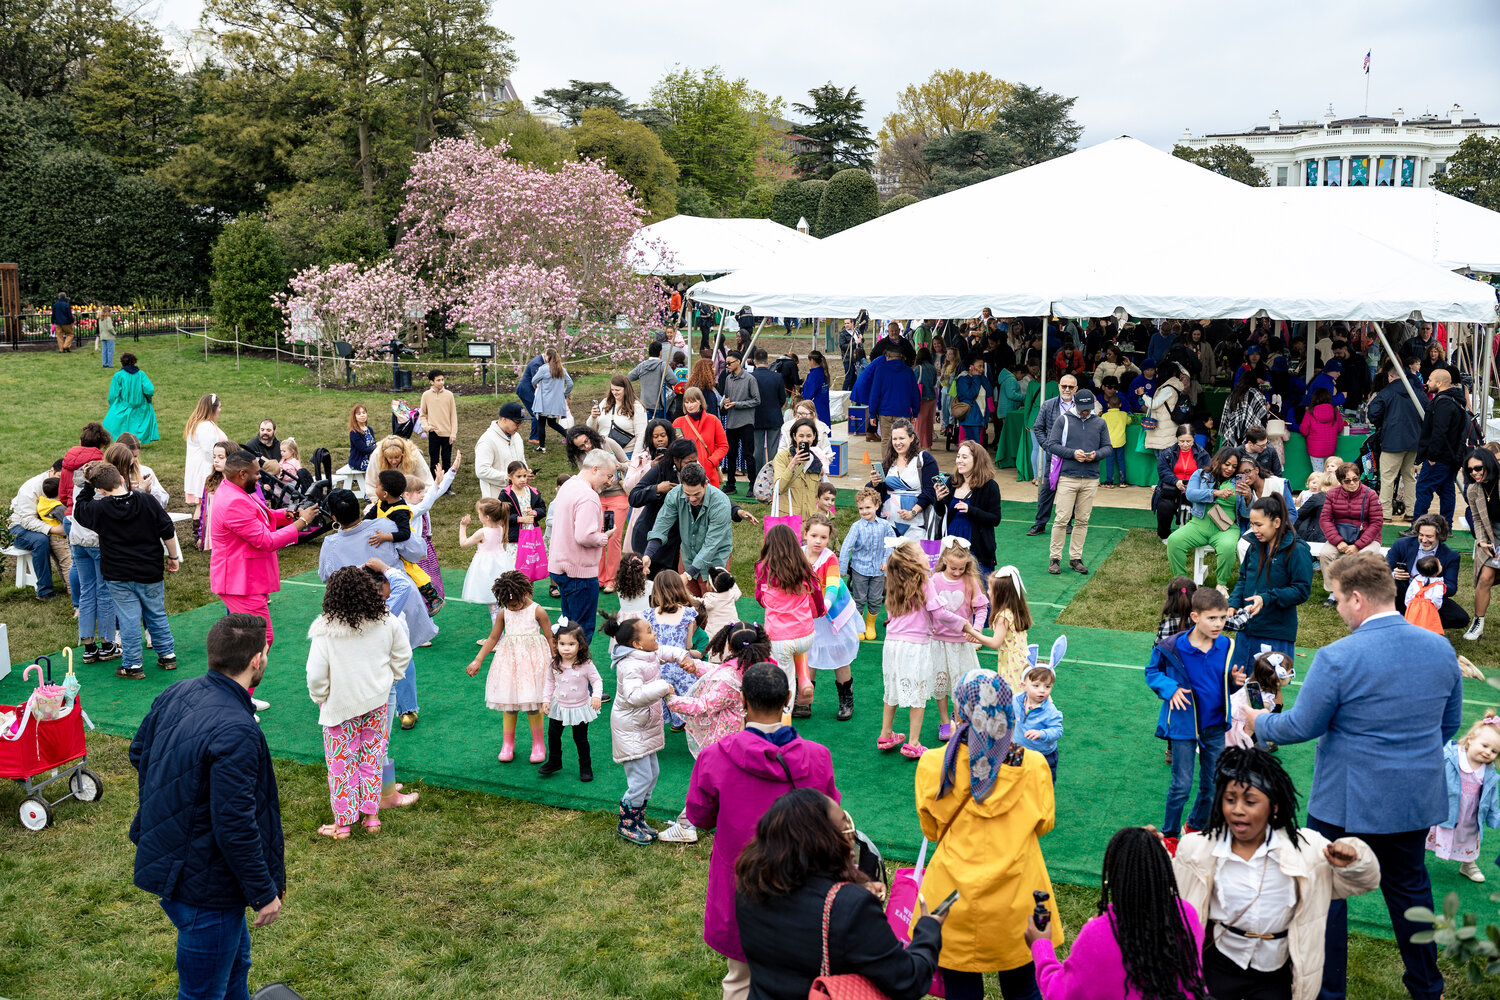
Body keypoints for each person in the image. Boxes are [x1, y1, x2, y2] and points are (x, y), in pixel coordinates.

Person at [1245, 550, 1461, 1000]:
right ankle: (1427, 987)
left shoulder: (1337, 656)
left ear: (1358, 599)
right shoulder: (1440, 648)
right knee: (1411, 893)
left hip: (1346, 802)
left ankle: (1327, 992)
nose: (1339, 609)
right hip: (1412, 799)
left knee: (1327, 898)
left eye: (1339, 600)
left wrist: (1255, 721)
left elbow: (1302, 725)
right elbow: (1448, 724)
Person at [129, 614, 284, 999]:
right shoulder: (238, 729)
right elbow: (235, 823)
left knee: (235, 969)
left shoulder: (177, 691)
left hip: (178, 862)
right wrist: (263, 891)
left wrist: (181, 797)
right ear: (256, 661)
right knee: (203, 992)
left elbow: (139, 752)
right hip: (205, 885)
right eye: (264, 652)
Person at [684, 663, 841, 999]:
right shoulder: (818, 757)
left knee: (740, 979)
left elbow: (698, 815)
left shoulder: (714, 757)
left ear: (742, 701)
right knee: (802, 977)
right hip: (803, 882)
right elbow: (833, 816)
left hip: (741, 884)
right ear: (787, 698)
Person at [1173, 747, 1380, 1000]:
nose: (1238, 809)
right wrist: (1151, 852)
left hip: (1277, 972)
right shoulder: (1198, 849)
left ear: (1274, 807)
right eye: (1230, 799)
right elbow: (1172, 901)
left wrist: (1354, 859)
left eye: (1250, 802)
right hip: (1219, 963)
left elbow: (1366, 881)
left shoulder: (1307, 849)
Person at [914, 667, 1060, 999]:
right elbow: (1044, 824)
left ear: (960, 709)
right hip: (1019, 897)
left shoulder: (936, 764)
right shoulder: (1034, 765)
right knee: (1024, 988)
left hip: (953, 900)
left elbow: (932, 830)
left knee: (961, 991)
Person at [735, 787, 944, 1000]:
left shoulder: (750, 885)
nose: (850, 839)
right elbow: (908, 980)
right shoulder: (851, 906)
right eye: (843, 830)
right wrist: (928, 929)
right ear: (822, 841)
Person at [1031, 826, 1208, 1000]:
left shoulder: (1098, 936)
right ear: (1163, 870)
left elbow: (1058, 992)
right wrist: (1146, 846)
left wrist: (1041, 943)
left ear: (1112, 878)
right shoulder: (1187, 916)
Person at [305, 566, 411, 838]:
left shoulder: (325, 630)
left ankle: (343, 825)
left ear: (332, 595)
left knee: (341, 763)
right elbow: (403, 653)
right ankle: (372, 817)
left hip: (339, 707)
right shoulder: (387, 621)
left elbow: (316, 674)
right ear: (368, 591)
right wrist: (392, 679)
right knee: (372, 757)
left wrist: (320, 697)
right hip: (376, 702)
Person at [1145, 587, 1240, 853]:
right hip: (1183, 726)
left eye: (1222, 617)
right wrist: (1170, 688)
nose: (1219, 624)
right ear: (1195, 616)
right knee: (1181, 785)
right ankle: (1172, 835)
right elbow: (1152, 672)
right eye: (1212, 618)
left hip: (1215, 725)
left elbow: (1221, 684)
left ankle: (1196, 825)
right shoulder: (1172, 646)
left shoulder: (1226, 645)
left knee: (1213, 782)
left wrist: (1233, 684)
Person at [73, 461, 182, 678]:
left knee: (128, 619)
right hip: (149, 569)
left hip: (118, 574)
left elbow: (80, 508)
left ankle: (132, 665)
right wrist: (173, 556)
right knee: (156, 612)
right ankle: (167, 655)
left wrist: (87, 484)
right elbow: (167, 529)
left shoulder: (99, 508)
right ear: (122, 479)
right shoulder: (146, 500)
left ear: (101, 491)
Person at [210, 449, 314, 671]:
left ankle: (239, 694)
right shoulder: (233, 502)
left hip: (246, 579)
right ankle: (240, 695)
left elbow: (258, 514)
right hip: (240, 583)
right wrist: (301, 523)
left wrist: (285, 514)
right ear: (241, 474)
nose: (260, 477)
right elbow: (266, 541)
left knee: (251, 642)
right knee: (259, 641)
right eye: (256, 474)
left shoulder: (234, 489)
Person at [877, 540, 969, 759]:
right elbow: (940, 614)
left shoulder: (893, 579)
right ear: (913, 560)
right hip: (915, 646)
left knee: (892, 689)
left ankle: (886, 734)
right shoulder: (925, 582)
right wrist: (963, 624)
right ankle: (913, 743)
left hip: (892, 644)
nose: (927, 555)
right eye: (921, 552)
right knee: (917, 693)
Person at [605, 615, 691, 843]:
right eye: (650, 631)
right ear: (637, 644)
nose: (655, 634)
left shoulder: (647, 654)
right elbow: (633, 696)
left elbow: (666, 652)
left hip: (643, 726)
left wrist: (682, 656)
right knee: (641, 778)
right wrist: (663, 687)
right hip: (631, 729)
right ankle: (626, 823)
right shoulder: (630, 666)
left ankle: (638, 819)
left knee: (651, 774)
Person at [466, 570, 553, 764]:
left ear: (524, 594)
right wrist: (478, 659)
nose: (512, 608)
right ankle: (508, 744)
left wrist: (557, 661)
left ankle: (538, 744)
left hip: (533, 663)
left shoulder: (538, 611)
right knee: (509, 704)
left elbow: (549, 637)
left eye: (514, 604)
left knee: (533, 704)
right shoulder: (504, 613)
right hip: (509, 663)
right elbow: (493, 638)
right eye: (508, 604)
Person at [1227, 495, 1312, 674]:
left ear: (1277, 522)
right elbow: (1243, 578)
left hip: (1276, 632)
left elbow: (1301, 590)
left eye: (1259, 525)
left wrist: (1267, 598)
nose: (1254, 529)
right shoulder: (1254, 545)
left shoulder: (1297, 550)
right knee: (1240, 685)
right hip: (1246, 629)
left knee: (1269, 688)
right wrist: (1233, 603)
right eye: (1251, 524)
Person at [548, 449, 617, 644]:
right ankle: (576, 670)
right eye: (608, 475)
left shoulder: (569, 485)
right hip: (579, 572)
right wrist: (604, 537)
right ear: (595, 469)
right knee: (580, 632)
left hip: (561, 567)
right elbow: (585, 536)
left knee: (568, 626)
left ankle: (565, 669)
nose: (610, 480)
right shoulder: (588, 496)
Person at [755, 524, 823, 715]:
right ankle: (804, 678)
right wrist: (817, 613)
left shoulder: (763, 569)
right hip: (806, 634)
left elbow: (760, 599)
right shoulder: (803, 568)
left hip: (779, 638)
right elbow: (816, 597)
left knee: (784, 683)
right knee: (797, 646)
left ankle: (784, 721)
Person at [1044, 388, 1110, 576]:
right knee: (1062, 519)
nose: (1085, 412)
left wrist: (1096, 455)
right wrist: (1073, 453)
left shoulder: (1100, 422)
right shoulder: (1063, 419)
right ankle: (1055, 558)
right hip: (1068, 477)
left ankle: (1076, 558)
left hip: (1090, 478)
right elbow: (1052, 445)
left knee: (1082, 520)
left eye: (1088, 408)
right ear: (1075, 403)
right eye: (1082, 408)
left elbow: (1108, 448)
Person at [1427, 715, 1500, 883]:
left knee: (1468, 838)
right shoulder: (1451, 756)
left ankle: (1468, 863)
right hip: (1445, 807)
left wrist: (1494, 815)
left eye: (1494, 751)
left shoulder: (1489, 771)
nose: (1488, 752)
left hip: (1470, 815)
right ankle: (1412, 859)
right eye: (1485, 745)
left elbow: (1492, 796)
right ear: (1470, 740)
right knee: (1428, 832)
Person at [643, 462, 734, 596]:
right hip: (687, 556)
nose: (692, 499)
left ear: (706, 484)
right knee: (687, 607)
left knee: (713, 610)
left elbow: (711, 545)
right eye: (687, 494)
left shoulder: (720, 503)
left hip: (714, 560)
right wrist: (648, 554)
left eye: (697, 494)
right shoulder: (675, 494)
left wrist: (689, 574)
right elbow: (662, 524)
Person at [1167, 447, 1244, 589]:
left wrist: (1249, 496)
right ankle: (1181, 582)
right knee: (1174, 541)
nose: (1230, 469)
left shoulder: (1239, 480)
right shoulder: (1201, 474)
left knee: (1227, 548)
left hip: (1226, 528)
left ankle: (1221, 584)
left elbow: (1245, 509)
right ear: (1218, 461)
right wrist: (1215, 493)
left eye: (1234, 466)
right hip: (1198, 524)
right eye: (1226, 464)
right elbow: (1190, 494)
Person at [539, 620, 602, 781]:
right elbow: (549, 682)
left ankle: (585, 766)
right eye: (562, 643)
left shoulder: (586, 664)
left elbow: (596, 681)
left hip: (579, 707)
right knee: (553, 735)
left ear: (580, 645)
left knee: (580, 739)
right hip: (559, 707)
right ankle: (554, 761)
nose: (566, 648)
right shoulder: (554, 663)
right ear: (556, 644)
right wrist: (546, 699)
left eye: (571, 644)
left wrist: (596, 696)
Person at [1387, 512, 1470, 633]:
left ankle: (1421, 622)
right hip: (1402, 593)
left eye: (1429, 536)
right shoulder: (1401, 544)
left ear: (1440, 536)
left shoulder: (1451, 556)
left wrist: (1433, 587)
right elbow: (1383, 570)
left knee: (1461, 618)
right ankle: (1399, 621)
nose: (1424, 540)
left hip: (1430, 600)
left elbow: (1451, 587)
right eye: (1421, 535)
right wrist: (1394, 574)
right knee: (1392, 585)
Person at [871, 417, 948, 540]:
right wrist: (875, 483)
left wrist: (913, 512)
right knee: (891, 557)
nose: (897, 442)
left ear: (911, 438)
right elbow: (875, 491)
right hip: (888, 521)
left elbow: (930, 490)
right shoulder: (888, 462)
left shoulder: (924, 459)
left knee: (914, 557)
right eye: (894, 439)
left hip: (917, 523)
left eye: (902, 438)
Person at [1367, 360, 1425, 521]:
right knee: (1410, 477)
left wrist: (1382, 425)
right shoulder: (1417, 392)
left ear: (1390, 377)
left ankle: (1385, 514)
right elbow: (1428, 413)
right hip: (1414, 441)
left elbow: (1373, 413)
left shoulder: (1387, 392)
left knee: (1387, 478)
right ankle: (1412, 512)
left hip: (1392, 441)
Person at [1317, 463, 1383, 599]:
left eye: (1355, 479)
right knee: (1325, 554)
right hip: (1340, 536)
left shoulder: (1370, 494)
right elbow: (1325, 520)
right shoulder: (1332, 494)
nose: (1352, 483)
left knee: (1362, 557)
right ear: (1340, 481)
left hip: (1367, 538)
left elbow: (1376, 523)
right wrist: (1338, 541)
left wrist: (1358, 545)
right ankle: (1333, 592)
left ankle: (1357, 592)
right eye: (1347, 481)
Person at [840, 486, 897, 640]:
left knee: (875, 598)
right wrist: (842, 567)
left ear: (877, 506)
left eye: (868, 507)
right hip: (860, 569)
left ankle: (870, 624)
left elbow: (891, 543)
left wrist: (886, 560)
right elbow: (846, 547)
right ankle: (858, 625)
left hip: (878, 570)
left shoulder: (884, 526)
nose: (864, 511)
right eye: (861, 508)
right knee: (859, 598)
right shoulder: (856, 527)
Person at [1414, 368, 1467, 526]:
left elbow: (1439, 431)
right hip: (1451, 455)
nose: (1427, 383)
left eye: (1429, 380)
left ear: (1439, 383)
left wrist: (1432, 456)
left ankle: (1417, 526)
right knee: (1446, 490)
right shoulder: (1454, 399)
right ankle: (1447, 526)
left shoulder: (1444, 402)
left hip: (1440, 456)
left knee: (1424, 488)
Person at [942, 442, 1003, 575]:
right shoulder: (952, 482)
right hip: (951, 546)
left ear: (977, 461)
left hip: (977, 548)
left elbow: (995, 519)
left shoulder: (990, 486)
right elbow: (941, 513)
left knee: (978, 590)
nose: (959, 461)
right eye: (958, 456)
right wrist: (939, 499)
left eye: (964, 457)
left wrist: (971, 510)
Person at [1027, 375, 1077, 536]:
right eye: (1064, 386)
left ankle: (1068, 523)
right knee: (1047, 489)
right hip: (1054, 456)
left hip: (1074, 456)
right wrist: (1048, 446)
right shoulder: (1048, 405)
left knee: (1070, 490)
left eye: (1070, 387)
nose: (1067, 390)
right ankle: (1040, 524)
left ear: (1076, 389)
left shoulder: (1082, 405)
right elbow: (1038, 427)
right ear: (1059, 387)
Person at [1463, 449, 1500, 640]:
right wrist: (1481, 541)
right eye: (1470, 470)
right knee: (1485, 578)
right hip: (1492, 535)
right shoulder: (1472, 489)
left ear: (1488, 464)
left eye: (1478, 468)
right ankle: (1478, 623)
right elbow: (1477, 519)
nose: (1474, 473)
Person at [1155, 425, 1210, 541]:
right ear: (1177, 439)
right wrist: (1176, 481)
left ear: (1194, 438)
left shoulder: (1202, 454)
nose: (1185, 444)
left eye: (1188, 441)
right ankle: (1165, 535)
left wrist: (1194, 483)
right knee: (1164, 507)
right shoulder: (1167, 453)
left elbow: (1208, 471)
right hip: (1172, 488)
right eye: (1181, 441)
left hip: (1194, 489)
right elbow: (1163, 471)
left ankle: (1198, 534)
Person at [719, 351, 761, 493]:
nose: (727, 366)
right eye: (726, 363)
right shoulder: (728, 379)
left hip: (746, 422)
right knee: (731, 454)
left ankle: (752, 485)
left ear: (738, 362)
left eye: (730, 363)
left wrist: (737, 404)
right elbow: (727, 397)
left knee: (749, 454)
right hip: (731, 422)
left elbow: (756, 400)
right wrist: (725, 403)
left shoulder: (750, 379)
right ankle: (731, 484)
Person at [675, 387, 730, 490]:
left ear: (700, 401)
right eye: (686, 402)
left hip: (709, 474)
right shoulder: (678, 422)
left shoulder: (713, 420)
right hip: (686, 474)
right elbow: (674, 450)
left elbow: (723, 446)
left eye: (692, 402)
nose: (689, 406)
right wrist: (677, 442)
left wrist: (711, 461)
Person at [475, 401, 530, 499]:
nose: (519, 426)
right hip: (496, 500)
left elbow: (521, 460)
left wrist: (525, 473)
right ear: (504, 419)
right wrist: (509, 477)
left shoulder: (517, 437)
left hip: (518, 497)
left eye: (521, 422)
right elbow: (482, 471)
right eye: (517, 423)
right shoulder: (487, 440)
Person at [770, 417, 824, 516]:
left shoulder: (816, 462)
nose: (805, 440)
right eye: (801, 436)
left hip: (809, 519)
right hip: (789, 517)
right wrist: (792, 464)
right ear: (794, 437)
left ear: (814, 436)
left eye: (809, 436)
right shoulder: (782, 457)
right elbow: (779, 488)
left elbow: (816, 496)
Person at [101, 352, 159, 444]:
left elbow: (113, 394)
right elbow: (149, 390)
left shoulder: (118, 375)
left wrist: (112, 406)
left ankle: (124, 440)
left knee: (116, 424)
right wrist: (148, 399)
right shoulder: (141, 374)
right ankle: (135, 441)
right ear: (134, 361)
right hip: (140, 406)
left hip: (124, 406)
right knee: (138, 425)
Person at [748, 348, 787, 481]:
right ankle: (773, 477)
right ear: (768, 360)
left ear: (754, 361)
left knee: (757, 450)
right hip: (774, 416)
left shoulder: (751, 377)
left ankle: (759, 477)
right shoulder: (777, 377)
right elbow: (783, 398)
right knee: (773, 450)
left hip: (755, 416)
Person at [183, 394, 224, 516]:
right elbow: (209, 452)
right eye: (219, 407)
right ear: (213, 408)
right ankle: (199, 534)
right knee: (204, 506)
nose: (220, 410)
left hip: (204, 470)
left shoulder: (204, 424)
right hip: (205, 471)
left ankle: (201, 533)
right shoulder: (204, 426)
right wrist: (220, 465)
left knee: (203, 506)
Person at [589, 374, 648, 456]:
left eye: (617, 390)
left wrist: (634, 459)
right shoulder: (605, 402)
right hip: (603, 453)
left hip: (625, 454)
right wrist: (593, 417)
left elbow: (641, 435)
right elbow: (591, 429)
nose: (614, 393)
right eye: (612, 390)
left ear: (626, 389)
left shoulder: (637, 407)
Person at [529, 348, 574, 452]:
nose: (544, 357)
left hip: (543, 402)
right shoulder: (562, 369)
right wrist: (564, 394)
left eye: (545, 355)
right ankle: (570, 438)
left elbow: (533, 380)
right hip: (555, 402)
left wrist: (537, 387)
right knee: (552, 423)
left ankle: (542, 446)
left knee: (541, 423)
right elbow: (570, 384)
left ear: (548, 357)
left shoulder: (544, 369)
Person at [630, 341, 681, 420]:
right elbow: (674, 381)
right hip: (660, 405)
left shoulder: (642, 366)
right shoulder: (663, 365)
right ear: (660, 352)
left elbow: (630, 377)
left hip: (644, 405)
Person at [418, 370, 458, 472]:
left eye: (442, 380)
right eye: (438, 380)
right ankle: (435, 484)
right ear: (432, 382)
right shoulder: (426, 395)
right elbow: (422, 414)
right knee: (434, 462)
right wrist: (427, 427)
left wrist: (453, 433)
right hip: (434, 433)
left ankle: (447, 486)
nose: (441, 382)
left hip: (447, 434)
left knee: (446, 461)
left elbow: (453, 416)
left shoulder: (449, 395)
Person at [1299, 388, 1345, 473]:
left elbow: (1304, 431)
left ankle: (1319, 487)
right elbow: (1340, 428)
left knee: (1318, 473)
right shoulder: (1335, 411)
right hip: (1330, 447)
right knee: (1329, 473)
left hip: (1315, 448)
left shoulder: (1310, 412)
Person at [1219, 372, 1269, 451]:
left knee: (1233, 459)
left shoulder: (1232, 395)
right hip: (1251, 433)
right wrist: (1267, 409)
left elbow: (1225, 417)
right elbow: (1262, 417)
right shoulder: (1257, 394)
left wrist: (1223, 432)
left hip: (1232, 432)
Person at [802, 349, 832, 426]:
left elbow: (808, 394)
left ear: (811, 360)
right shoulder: (822, 372)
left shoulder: (814, 375)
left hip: (815, 407)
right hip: (823, 405)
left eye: (808, 360)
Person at [347, 403, 376, 472]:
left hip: (371, 458)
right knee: (379, 467)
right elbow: (364, 450)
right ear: (354, 417)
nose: (362, 415)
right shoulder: (354, 432)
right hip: (359, 461)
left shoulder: (369, 429)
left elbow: (373, 445)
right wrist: (378, 446)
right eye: (359, 414)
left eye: (364, 413)